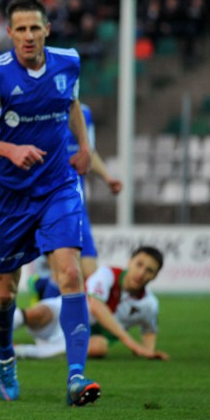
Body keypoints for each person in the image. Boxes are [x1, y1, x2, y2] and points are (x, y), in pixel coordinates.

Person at [0, 0, 99, 406]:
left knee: (70, 274)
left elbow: (71, 103)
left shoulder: (68, 62)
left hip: (58, 185)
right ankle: (4, 356)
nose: (29, 36)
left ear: (47, 29)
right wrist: (9, 150)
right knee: (5, 292)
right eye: (21, 29)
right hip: (9, 196)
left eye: (36, 27)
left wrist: (85, 147)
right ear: (10, 33)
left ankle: (76, 376)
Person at [0, 246, 170, 362]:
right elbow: (96, 307)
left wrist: (147, 351)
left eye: (149, 270)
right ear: (130, 262)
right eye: (139, 264)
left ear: (155, 276)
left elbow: (149, 330)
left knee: (98, 347)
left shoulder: (150, 304)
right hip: (63, 313)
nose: (141, 273)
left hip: (80, 338)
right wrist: (133, 345)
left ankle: (19, 352)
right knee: (36, 313)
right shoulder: (107, 274)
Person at [25, 103, 123, 303]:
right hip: (48, 204)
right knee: (64, 272)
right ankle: (47, 309)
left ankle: (41, 286)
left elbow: (88, 152)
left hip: (76, 207)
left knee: (89, 273)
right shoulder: (37, 106)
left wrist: (107, 177)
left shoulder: (84, 113)